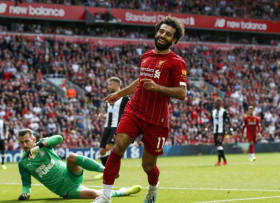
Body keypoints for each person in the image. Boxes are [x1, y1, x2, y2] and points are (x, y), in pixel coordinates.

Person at [93, 16, 186, 203]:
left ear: (174, 41)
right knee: (118, 147)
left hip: (156, 119)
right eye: (161, 31)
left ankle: (153, 187)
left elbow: (182, 93)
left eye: (168, 34)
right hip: (134, 110)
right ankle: (105, 196)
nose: (162, 35)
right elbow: (141, 81)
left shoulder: (176, 62)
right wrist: (120, 94)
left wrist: (158, 87)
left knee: (148, 165)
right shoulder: (146, 56)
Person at [17, 128, 141, 201]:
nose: (25, 145)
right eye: (22, 143)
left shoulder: (43, 145)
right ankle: (122, 192)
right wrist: (25, 193)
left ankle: (106, 170)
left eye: (27, 141)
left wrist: (42, 144)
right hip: (66, 190)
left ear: (33, 140)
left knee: (71, 157)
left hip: (71, 173)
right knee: (95, 195)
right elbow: (26, 184)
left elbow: (59, 138)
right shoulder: (23, 163)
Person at [98, 77, 129, 170]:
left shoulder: (125, 98)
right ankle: (106, 170)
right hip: (107, 126)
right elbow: (111, 112)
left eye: (110, 84)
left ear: (116, 85)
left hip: (117, 127)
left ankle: (112, 170)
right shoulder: (109, 98)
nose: (108, 86)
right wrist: (103, 116)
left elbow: (128, 111)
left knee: (108, 147)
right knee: (102, 151)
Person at [210, 98, 232, 166]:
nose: (215, 104)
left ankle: (219, 162)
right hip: (215, 131)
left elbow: (228, 120)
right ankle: (224, 161)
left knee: (219, 144)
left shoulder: (224, 111)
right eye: (215, 103)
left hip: (221, 130)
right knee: (218, 146)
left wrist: (230, 129)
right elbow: (211, 120)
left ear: (220, 104)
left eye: (216, 103)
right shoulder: (213, 112)